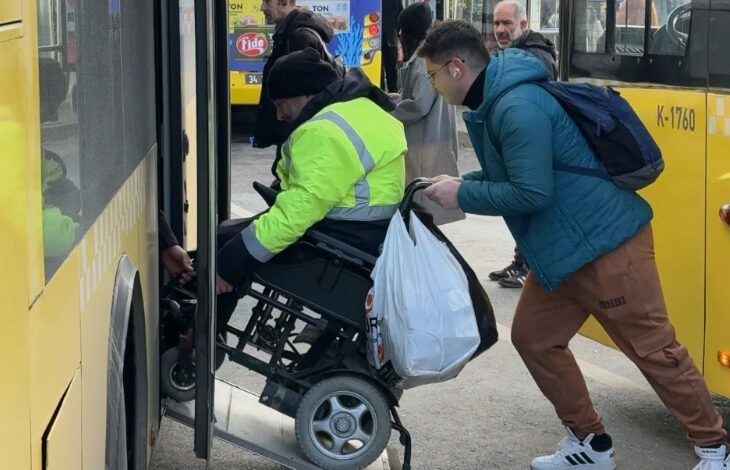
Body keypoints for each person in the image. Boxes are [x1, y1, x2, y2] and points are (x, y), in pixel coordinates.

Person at [419, 20, 728, 470]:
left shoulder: (516, 106)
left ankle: (714, 447)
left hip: (607, 247)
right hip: (565, 252)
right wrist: (459, 181)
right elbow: (517, 178)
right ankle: (591, 443)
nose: (432, 85)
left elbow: (532, 193)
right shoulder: (497, 102)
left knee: (654, 350)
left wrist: (462, 194)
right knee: (533, 339)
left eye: (432, 76)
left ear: (456, 67)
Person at [216, 48, 407, 335]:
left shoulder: (324, 130)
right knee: (235, 235)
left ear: (306, 96)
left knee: (227, 243)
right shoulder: (362, 109)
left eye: (281, 104)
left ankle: (200, 340)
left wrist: (231, 263)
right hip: (366, 235)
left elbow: (299, 210)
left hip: (340, 243)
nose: (279, 115)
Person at [487, 0, 559, 288]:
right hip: (522, 143)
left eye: (507, 24)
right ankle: (522, 263)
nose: (501, 30)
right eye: (496, 24)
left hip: (535, 145)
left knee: (529, 207)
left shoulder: (535, 57)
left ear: (524, 25)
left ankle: (528, 267)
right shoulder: (514, 53)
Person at [390, 2, 463, 225]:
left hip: (426, 143)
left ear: (407, 33)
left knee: (422, 209)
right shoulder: (430, 55)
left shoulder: (423, 60)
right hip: (432, 139)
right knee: (424, 212)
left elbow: (419, 105)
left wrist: (389, 114)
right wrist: (394, 98)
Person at [252, 0, 335, 149]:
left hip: (297, 133)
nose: (262, 7)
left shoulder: (299, 37)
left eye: (267, 1)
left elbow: (302, 94)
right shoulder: (290, 32)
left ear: (285, 2)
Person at [381, 0, 404, 92]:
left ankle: (380, 95)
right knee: (392, 72)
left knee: (380, 71)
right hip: (391, 37)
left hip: (376, 39)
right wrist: (395, 30)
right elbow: (400, 16)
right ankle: (393, 96)